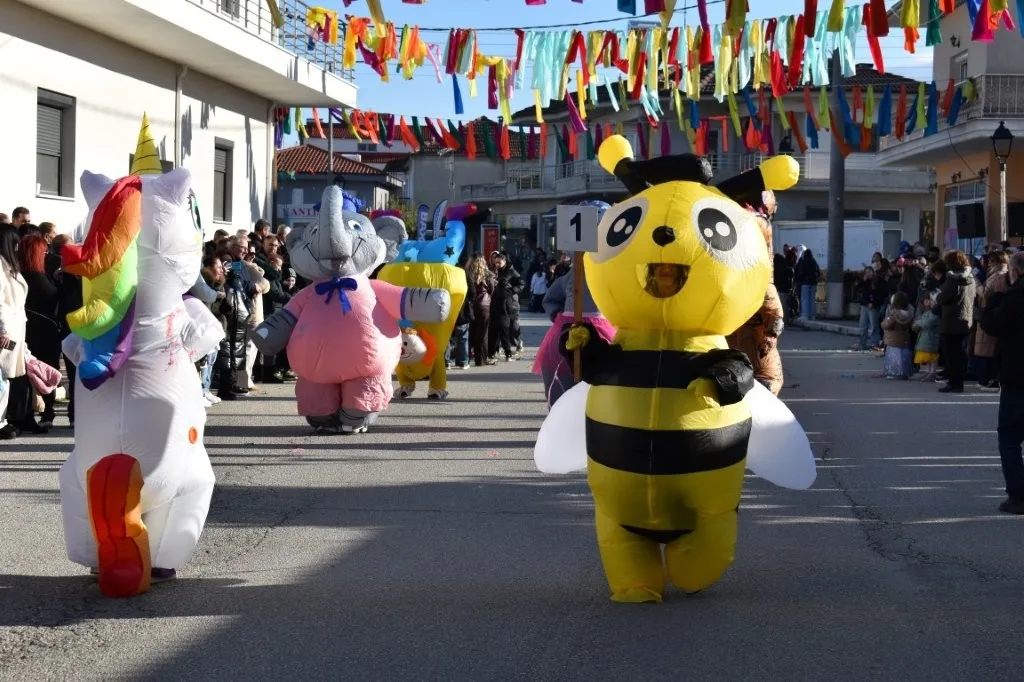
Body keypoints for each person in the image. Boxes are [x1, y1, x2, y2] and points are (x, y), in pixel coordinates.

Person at [980, 251, 1024, 515]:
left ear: (1015, 272)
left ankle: (1018, 496)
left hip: (1016, 377)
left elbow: (989, 324)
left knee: (1009, 437)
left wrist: (994, 297)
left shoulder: (1012, 299)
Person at [20, 233, 61, 429]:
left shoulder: (17, 275)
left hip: (26, 331)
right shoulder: (37, 277)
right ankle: (47, 412)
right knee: (46, 371)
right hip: (44, 332)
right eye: (44, 252)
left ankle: (26, 413)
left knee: (25, 373)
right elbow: (53, 296)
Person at [0, 225, 28, 439]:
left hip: (13, 328)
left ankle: (2, 420)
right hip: (6, 330)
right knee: (2, 375)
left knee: (5, 375)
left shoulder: (8, 265)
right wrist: (3, 329)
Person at [935, 250, 976, 393]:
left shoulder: (952, 278)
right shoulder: (971, 277)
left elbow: (944, 297)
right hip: (966, 318)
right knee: (959, 353)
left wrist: (937, 297)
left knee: (951, 355)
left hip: (951, 320)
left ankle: (954, 384)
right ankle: (957, 382)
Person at [973, 250, 1010, 390]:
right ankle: (988, 379)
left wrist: (977, 284)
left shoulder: (998, 275)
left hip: (990, 313)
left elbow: (985, 293)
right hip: (991, 313)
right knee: (988, 349)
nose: (988, 263)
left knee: (988, 349)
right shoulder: (998, 274)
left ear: (998, 261)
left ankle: (989, 379)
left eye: (991, 261)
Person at [466, 255, 494, 366]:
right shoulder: (488, 274)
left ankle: (466, 358)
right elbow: (491, 290)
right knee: (483, 333)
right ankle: (480, 359)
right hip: (484, 305)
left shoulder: (467, 273)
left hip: (470, 305)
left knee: (470, 331)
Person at [879, 292, 915, 379]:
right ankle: (904, 373)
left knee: (894, 358)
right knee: (904, 358)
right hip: (905, 339)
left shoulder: (893, 315)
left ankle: (894, 373)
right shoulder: (910, 313)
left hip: (893, 340)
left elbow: (885, 325)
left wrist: (884, 321)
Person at [912, 293, 941, 381]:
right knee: (928, 356)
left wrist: (917, 323)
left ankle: (932, 373)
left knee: (933, 356)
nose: (926, 302)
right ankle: (928, 372)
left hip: (932, 337)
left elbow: (927, 322)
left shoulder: (935, 312)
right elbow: (922, 320)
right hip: (926, 337)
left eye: (928, 300)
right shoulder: (926, 311)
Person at [794, 246, 820, 320]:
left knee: (805, 299)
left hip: (805, 283)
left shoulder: (804, 261)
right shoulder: (814, 261)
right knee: (812, 300)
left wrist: (800, 279)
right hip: (813, 283)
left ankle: (804, 315)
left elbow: (801, 272)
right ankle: (812, 315)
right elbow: (818, 272)